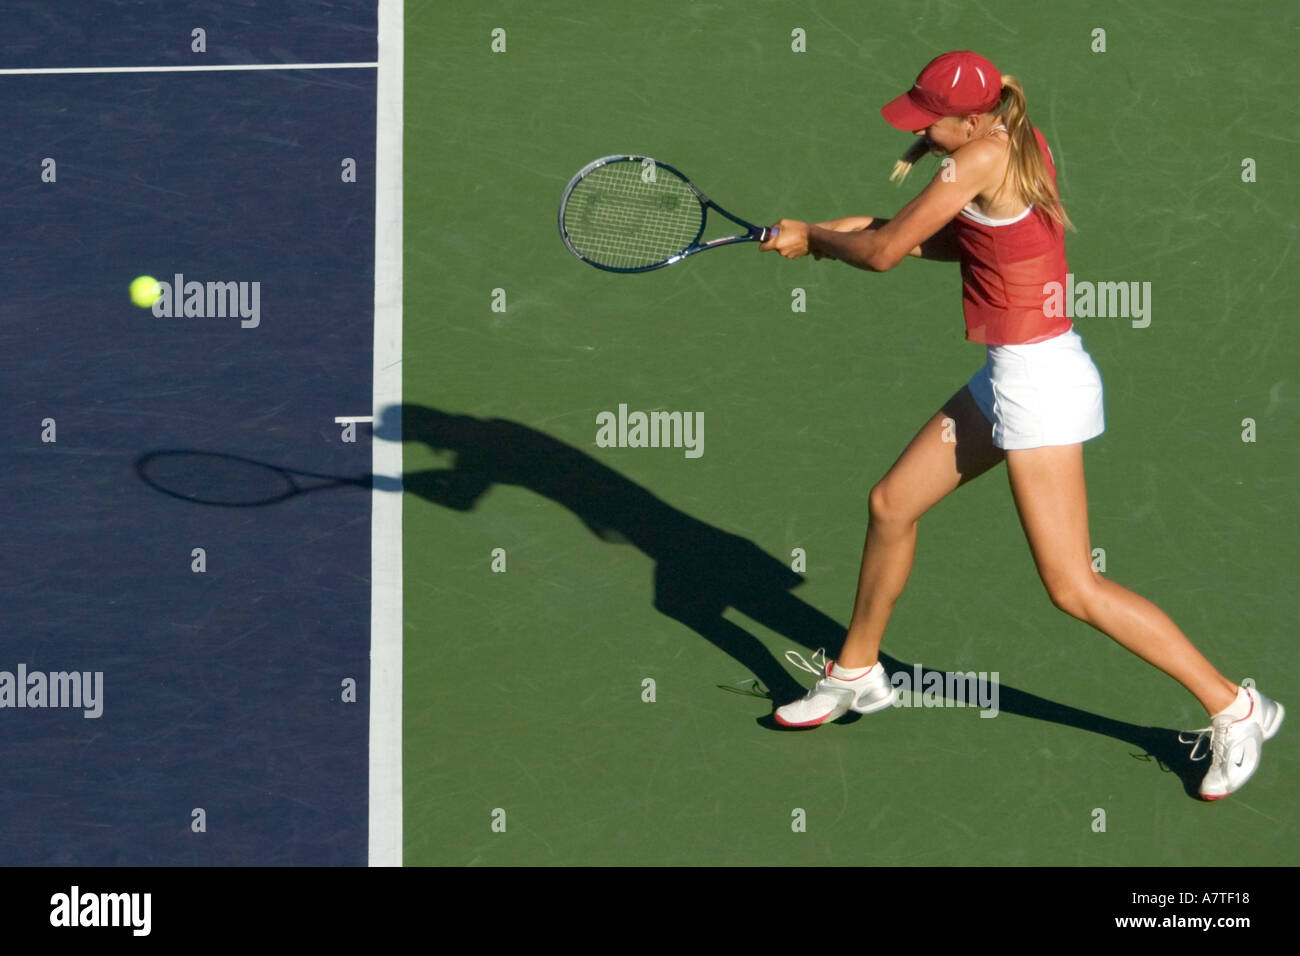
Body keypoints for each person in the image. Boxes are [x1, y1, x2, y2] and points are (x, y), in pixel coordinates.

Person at [758, 50, 1282, 799]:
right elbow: (940, 241)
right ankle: (858, 672)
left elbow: (882, 257)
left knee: (1073, 586)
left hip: (1039, 387)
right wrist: (843, 231)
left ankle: (1237, 709)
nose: (922, 131)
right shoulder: (1007, 141)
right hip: (1010, 378)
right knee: (891, 505)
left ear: (971, 119)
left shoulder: (977, 157)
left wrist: (822, 241)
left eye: (930, 120)